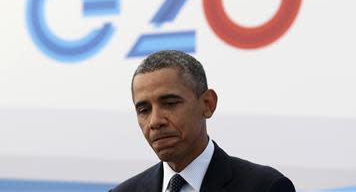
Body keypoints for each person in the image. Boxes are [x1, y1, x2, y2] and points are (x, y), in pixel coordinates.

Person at [111, 50, 295, 192]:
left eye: (170, 103)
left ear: (207, 104)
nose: (155, 121)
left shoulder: (265, 187)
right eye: (144, 110)